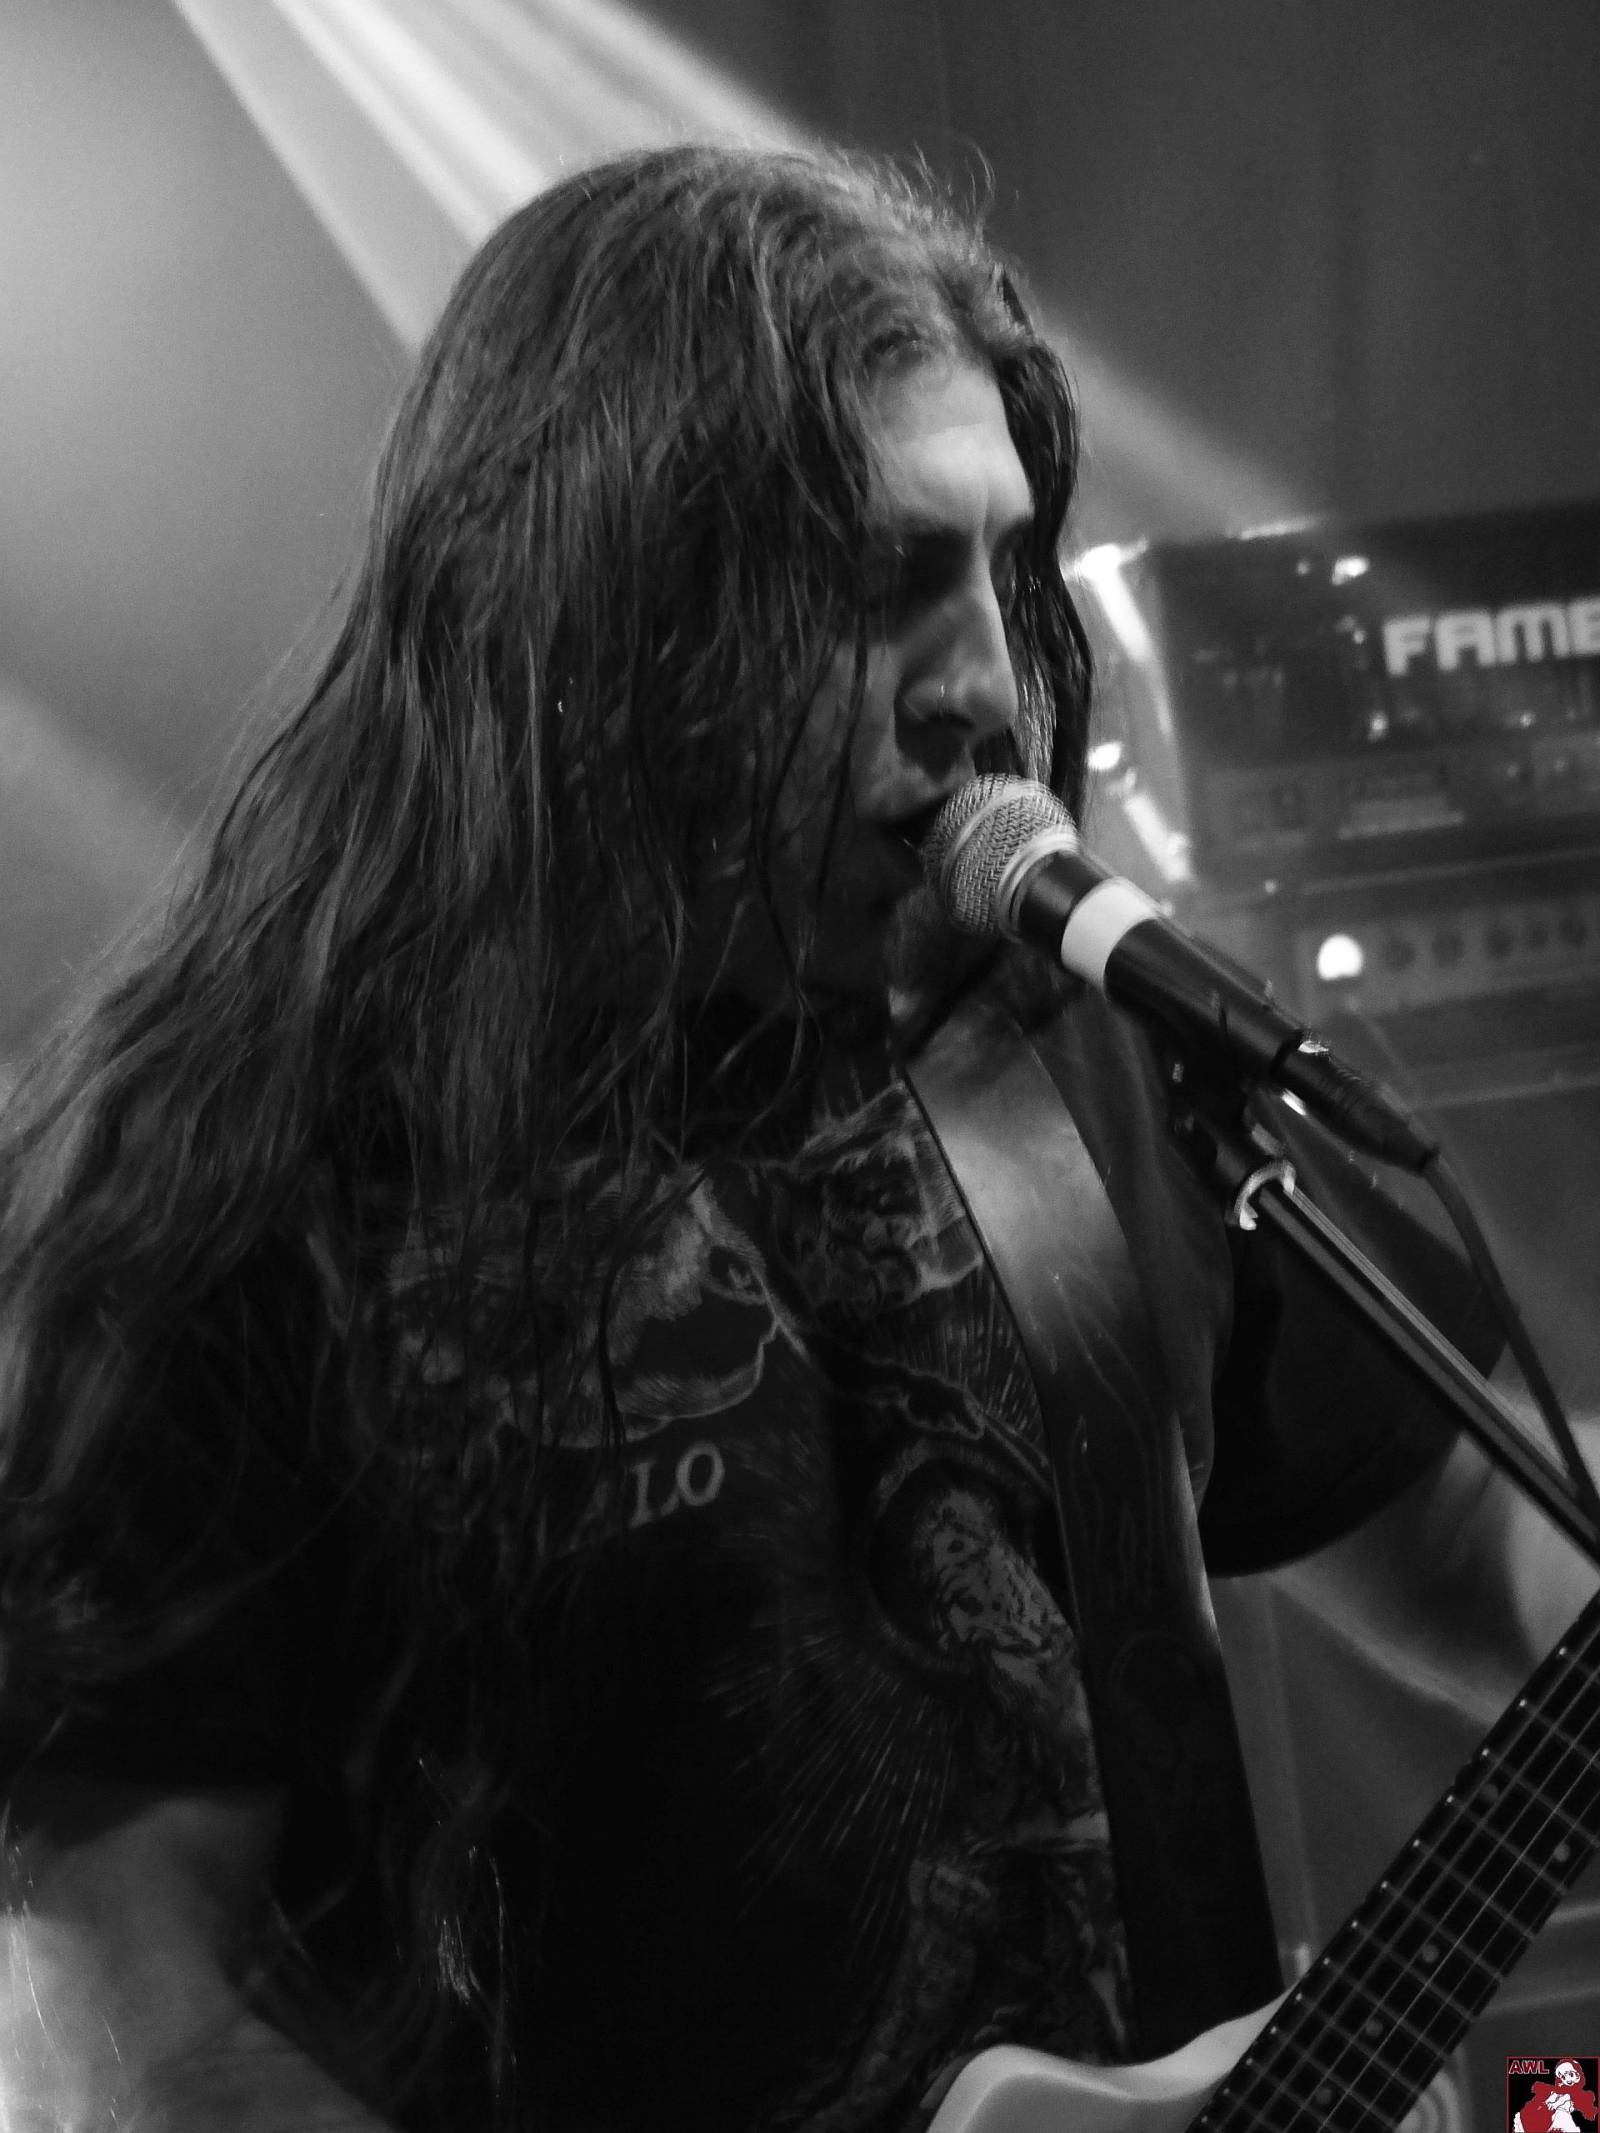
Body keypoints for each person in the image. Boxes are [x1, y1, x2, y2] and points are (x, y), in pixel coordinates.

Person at [0, 144, 1590, 2133]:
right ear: (609, 601)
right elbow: (130, 2015)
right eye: (880, 580)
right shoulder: (250, 1161)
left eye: (1003, 569)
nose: (986, 685)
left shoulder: (1081, 1038)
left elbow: (1466, 1531)